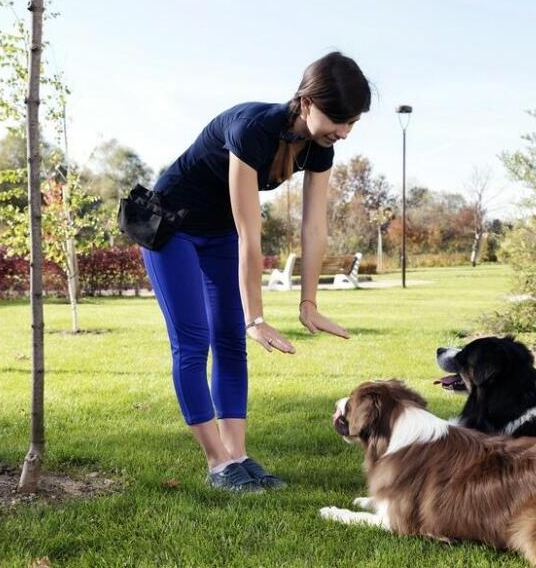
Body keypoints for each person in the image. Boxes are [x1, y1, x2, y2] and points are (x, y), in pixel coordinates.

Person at [142, 52, 370, 493]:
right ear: (306, 103)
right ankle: (217, 462)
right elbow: (251, 232)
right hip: (172, 227)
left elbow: (314, 226)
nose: (343, 132)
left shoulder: (319, 148)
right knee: (194, 342)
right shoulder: (252, 129)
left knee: (230, 342)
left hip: (218, 232)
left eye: (352, 124)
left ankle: (239, 457)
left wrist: (310, 303)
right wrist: (257, 318)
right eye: (338, 120)